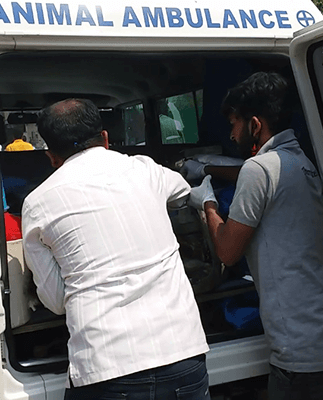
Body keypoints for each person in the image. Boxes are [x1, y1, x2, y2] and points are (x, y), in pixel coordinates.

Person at [21, 98, 210, 400]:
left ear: (51, 157)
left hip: (105, 368)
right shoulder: (145, 170)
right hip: (182, 354)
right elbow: (183, 191)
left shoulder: (37, 204)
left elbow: (56, 302)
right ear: (105, 139)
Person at [187, 72, 323, 400]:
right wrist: (210, 169)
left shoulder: (260, 170)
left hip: (302, 359)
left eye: (234, 123)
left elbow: (226, 251)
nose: (231, 132)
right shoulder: (302, 162)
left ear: (255, 125)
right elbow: (257, 170)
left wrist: (208, 203)